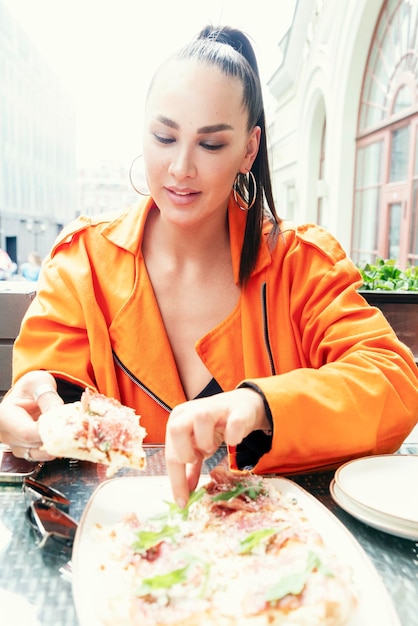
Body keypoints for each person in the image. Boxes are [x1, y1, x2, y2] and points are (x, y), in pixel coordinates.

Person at [0, 26, 417, 509]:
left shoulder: (300, 263)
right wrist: (32, 414)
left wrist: (264, 405)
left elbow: (393, 382)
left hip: (271, 545)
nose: (180, 167)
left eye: (211, 145)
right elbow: (46, 389)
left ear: (248, 149)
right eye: (164, 136)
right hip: (121, 541)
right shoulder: (82, 262)